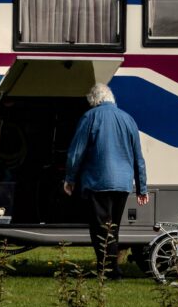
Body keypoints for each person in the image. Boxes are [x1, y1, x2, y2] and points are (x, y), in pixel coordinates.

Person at [64, 83, 149, 279]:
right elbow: (139, 158)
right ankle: (110, 268)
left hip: (98, 181)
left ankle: (110, 271)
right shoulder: (128, 119)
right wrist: (141, 188)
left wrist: (70, 178)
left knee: (100, 228)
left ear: (94, 100)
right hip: (122, 184)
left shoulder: (90, 117)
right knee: (113, 227)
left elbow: (76, 152)